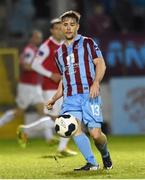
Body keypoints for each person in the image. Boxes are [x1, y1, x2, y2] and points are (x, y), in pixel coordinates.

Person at [47, 11, 113, 171]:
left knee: (96, 135)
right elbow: (64, 77)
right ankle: (91, 163)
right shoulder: (58, 53)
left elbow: (101, 64)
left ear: (77, 26)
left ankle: (105, 155)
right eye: (65, 25)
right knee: (73, 128)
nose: (68, 28)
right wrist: (55, 97)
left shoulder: (88, 43)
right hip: (70, 98)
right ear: (61, 27)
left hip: (89, 95)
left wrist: (96, 82)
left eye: (72, 24)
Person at [17, 18, 77, 156]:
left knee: (66, 117)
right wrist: (51, 75)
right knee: (58, 119)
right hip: (50, 87)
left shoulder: (66, 44)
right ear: (51, 30)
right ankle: (26, 130)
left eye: (60, 27)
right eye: (55, 28)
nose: (59, 30)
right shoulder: (46, 45)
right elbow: (35, 64)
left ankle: (61, 148)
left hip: (63, 86)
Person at [0, 30, 44, 127]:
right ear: (31, 38)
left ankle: (49, 139)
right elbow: (26, 67)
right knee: (19, 112)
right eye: (36, 37)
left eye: (40, 37)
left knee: (42, 110)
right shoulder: (29, 50)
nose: (39, 39)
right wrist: (41, 67)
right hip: (27, 86)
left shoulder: (36, 51)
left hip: (35, 86)